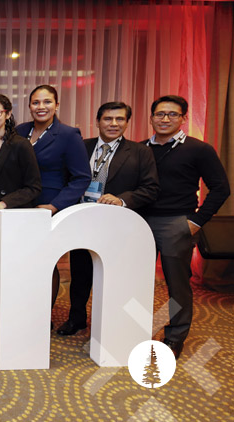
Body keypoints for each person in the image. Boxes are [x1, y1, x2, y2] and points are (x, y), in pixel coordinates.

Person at [58, 102, 160, 336]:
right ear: (97, 121)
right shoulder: (81, 147)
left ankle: (110, 324)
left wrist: (122, 200)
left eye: (120, 119)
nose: (114, 124)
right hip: (81, 219)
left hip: (116, 224)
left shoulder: (140, 152)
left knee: (113, 276)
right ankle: (76, 319)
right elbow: (66, 179)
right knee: (80, 273)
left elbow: (151, 188)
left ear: (127, 122)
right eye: (108, 119)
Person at [139, 95, 230, 358]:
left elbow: (221, 188)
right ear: (151, 118)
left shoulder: (199, 149)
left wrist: (196, 222)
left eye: (172, 114)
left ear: (183, 118)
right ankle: (135, 330)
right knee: (135, 280)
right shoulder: (140, 148)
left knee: (177, 284)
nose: (165, 119)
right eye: (160, 114)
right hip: (139, 223)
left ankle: (175, 336)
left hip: (176, 223)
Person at [15, 85, 91, 311]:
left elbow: (81, 177)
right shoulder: (20, 131)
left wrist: (54, 205)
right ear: (29, 106)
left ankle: (42, 316)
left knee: (45, 263)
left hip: (47, 208)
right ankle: (22, 311)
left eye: (47, 102)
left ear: (57, 105)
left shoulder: (68, 135)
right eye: (36, 102)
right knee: (21, 262)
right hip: (20, 207)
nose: (41, 107)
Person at [0, 94, 41, 253]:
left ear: (8, 114)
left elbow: (33, 187)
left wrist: (3, 203)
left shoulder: (21, 145)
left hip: (12, 216)